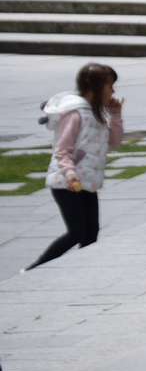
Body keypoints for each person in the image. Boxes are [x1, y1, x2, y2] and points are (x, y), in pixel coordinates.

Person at [25, 63, 123, 270]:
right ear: (95, 87)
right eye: (110, 85)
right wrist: (69, 174)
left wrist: (115, 115)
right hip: (66, 182)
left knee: (91, 232)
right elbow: (62, 150)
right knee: (76, 232)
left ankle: (82, 272)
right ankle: (34, 269)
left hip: (86, 182)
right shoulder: (75, 114)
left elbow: (114, 142)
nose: (113, 91)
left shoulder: (95, 114)